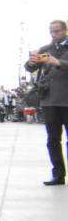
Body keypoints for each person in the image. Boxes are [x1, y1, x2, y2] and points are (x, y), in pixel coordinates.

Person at [26, 20, 68, 186]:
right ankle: (58, 175)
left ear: (65, 31)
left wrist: (59, 63)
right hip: (49, 100)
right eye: (51, 32)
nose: (54, 35)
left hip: (66, 100)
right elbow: (29, 68)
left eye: (57, 31)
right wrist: (31, 63)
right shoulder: (46, 49)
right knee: (53, 139)